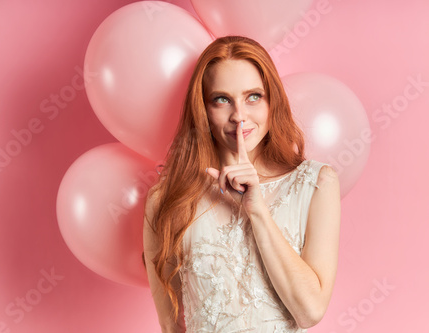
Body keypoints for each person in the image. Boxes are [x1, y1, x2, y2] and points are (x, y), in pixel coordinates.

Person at [143, 35, 341, 333]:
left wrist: (257, 210)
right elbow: (170, 326)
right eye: (221, 99)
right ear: (203, 108)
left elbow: (309, 312)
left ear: (271, 101)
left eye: (253, 96)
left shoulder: (315, 184)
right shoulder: (166, 199)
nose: (239, 116)